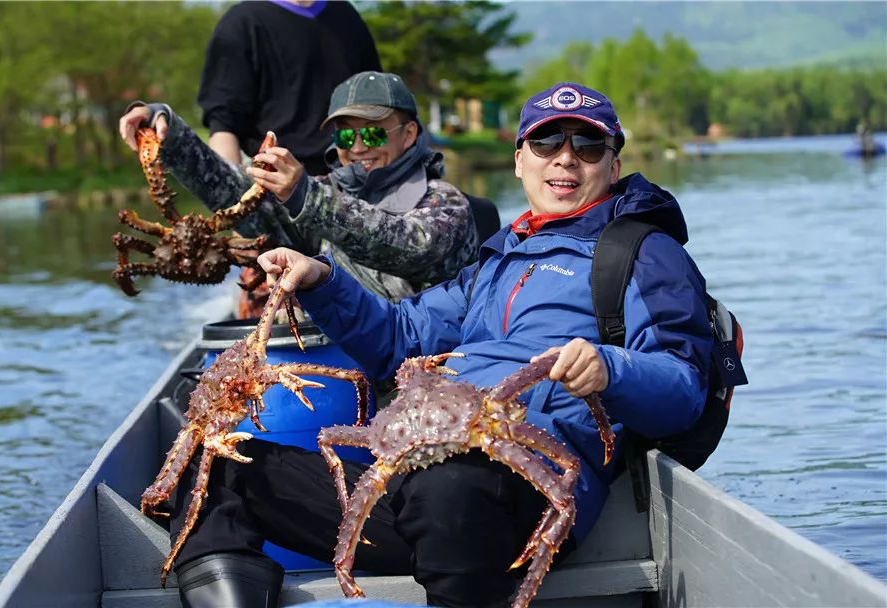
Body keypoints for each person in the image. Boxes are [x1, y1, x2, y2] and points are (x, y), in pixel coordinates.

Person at [162, 82, 713, 607]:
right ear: (520, 160)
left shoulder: (645, 254)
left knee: (451, 487)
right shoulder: (496, 262)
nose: (566, 158)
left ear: (614, 165)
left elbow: (685, 388)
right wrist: (321, 281)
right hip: (418, 472)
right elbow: (400, 338)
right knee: (213, 459)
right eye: (546, 142)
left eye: (589, 145)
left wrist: (612, 368)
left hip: (525, 482)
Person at [118, 71, 478, 307]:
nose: (357, 146)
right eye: (344, 134)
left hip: (423, 379)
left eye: (371, 132)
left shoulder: (445, 203)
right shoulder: (319, 195)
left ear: (410, 134)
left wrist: (308, 197)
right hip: (340, 366)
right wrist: (167, 135)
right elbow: (238, 203)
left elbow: (408, 246)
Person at [198, 0, 382, 176]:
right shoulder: (242, 23)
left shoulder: (346, 16)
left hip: (354, 179)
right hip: (276, 183)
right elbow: (223, 126)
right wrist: (234, 201)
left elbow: (379, 106)